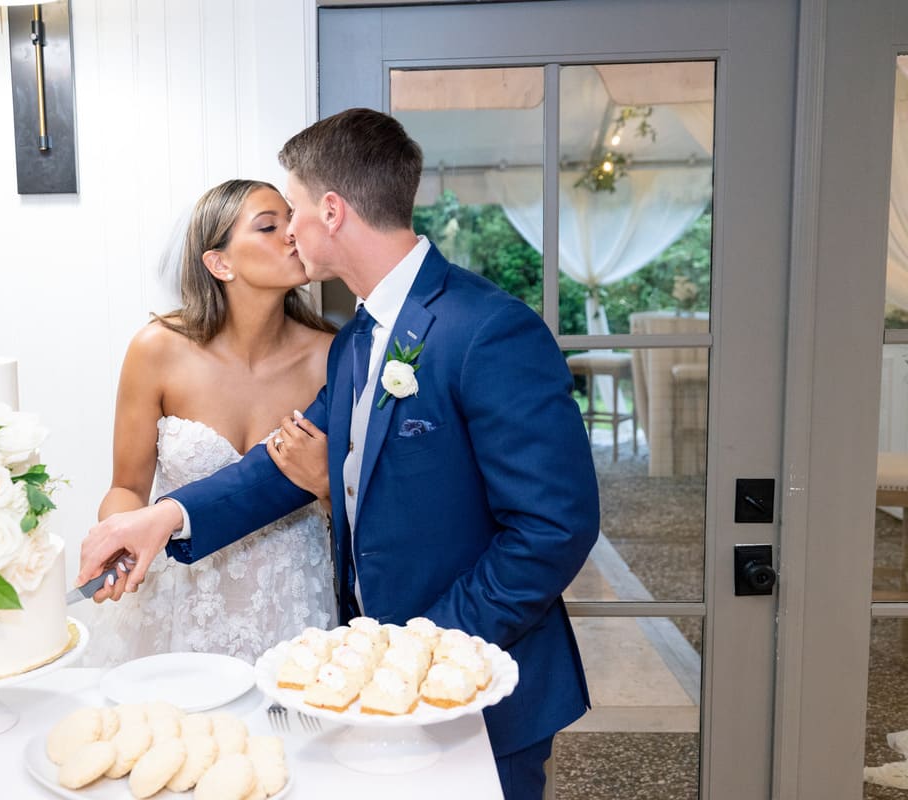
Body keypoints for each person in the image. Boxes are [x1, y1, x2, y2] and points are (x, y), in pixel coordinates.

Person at [78, 109, 600, 799]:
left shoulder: (488, 330)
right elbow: (279, 467)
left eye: (291, 209)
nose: (289, 229)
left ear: (331, 211)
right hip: (377, 694)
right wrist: (165, 516)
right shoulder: (357, 340)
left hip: (478, 687)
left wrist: (424, 648)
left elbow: (553, 528)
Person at [82, 178, 338, 668]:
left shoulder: (330, 356)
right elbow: (127, 487)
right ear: (219, 263)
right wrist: (120, 536)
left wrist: (325, 486)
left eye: (291, 219)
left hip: (292, 605)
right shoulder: (157, 350)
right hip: (180, 597)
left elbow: (352, 497)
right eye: (268, 225)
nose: (292, 233)